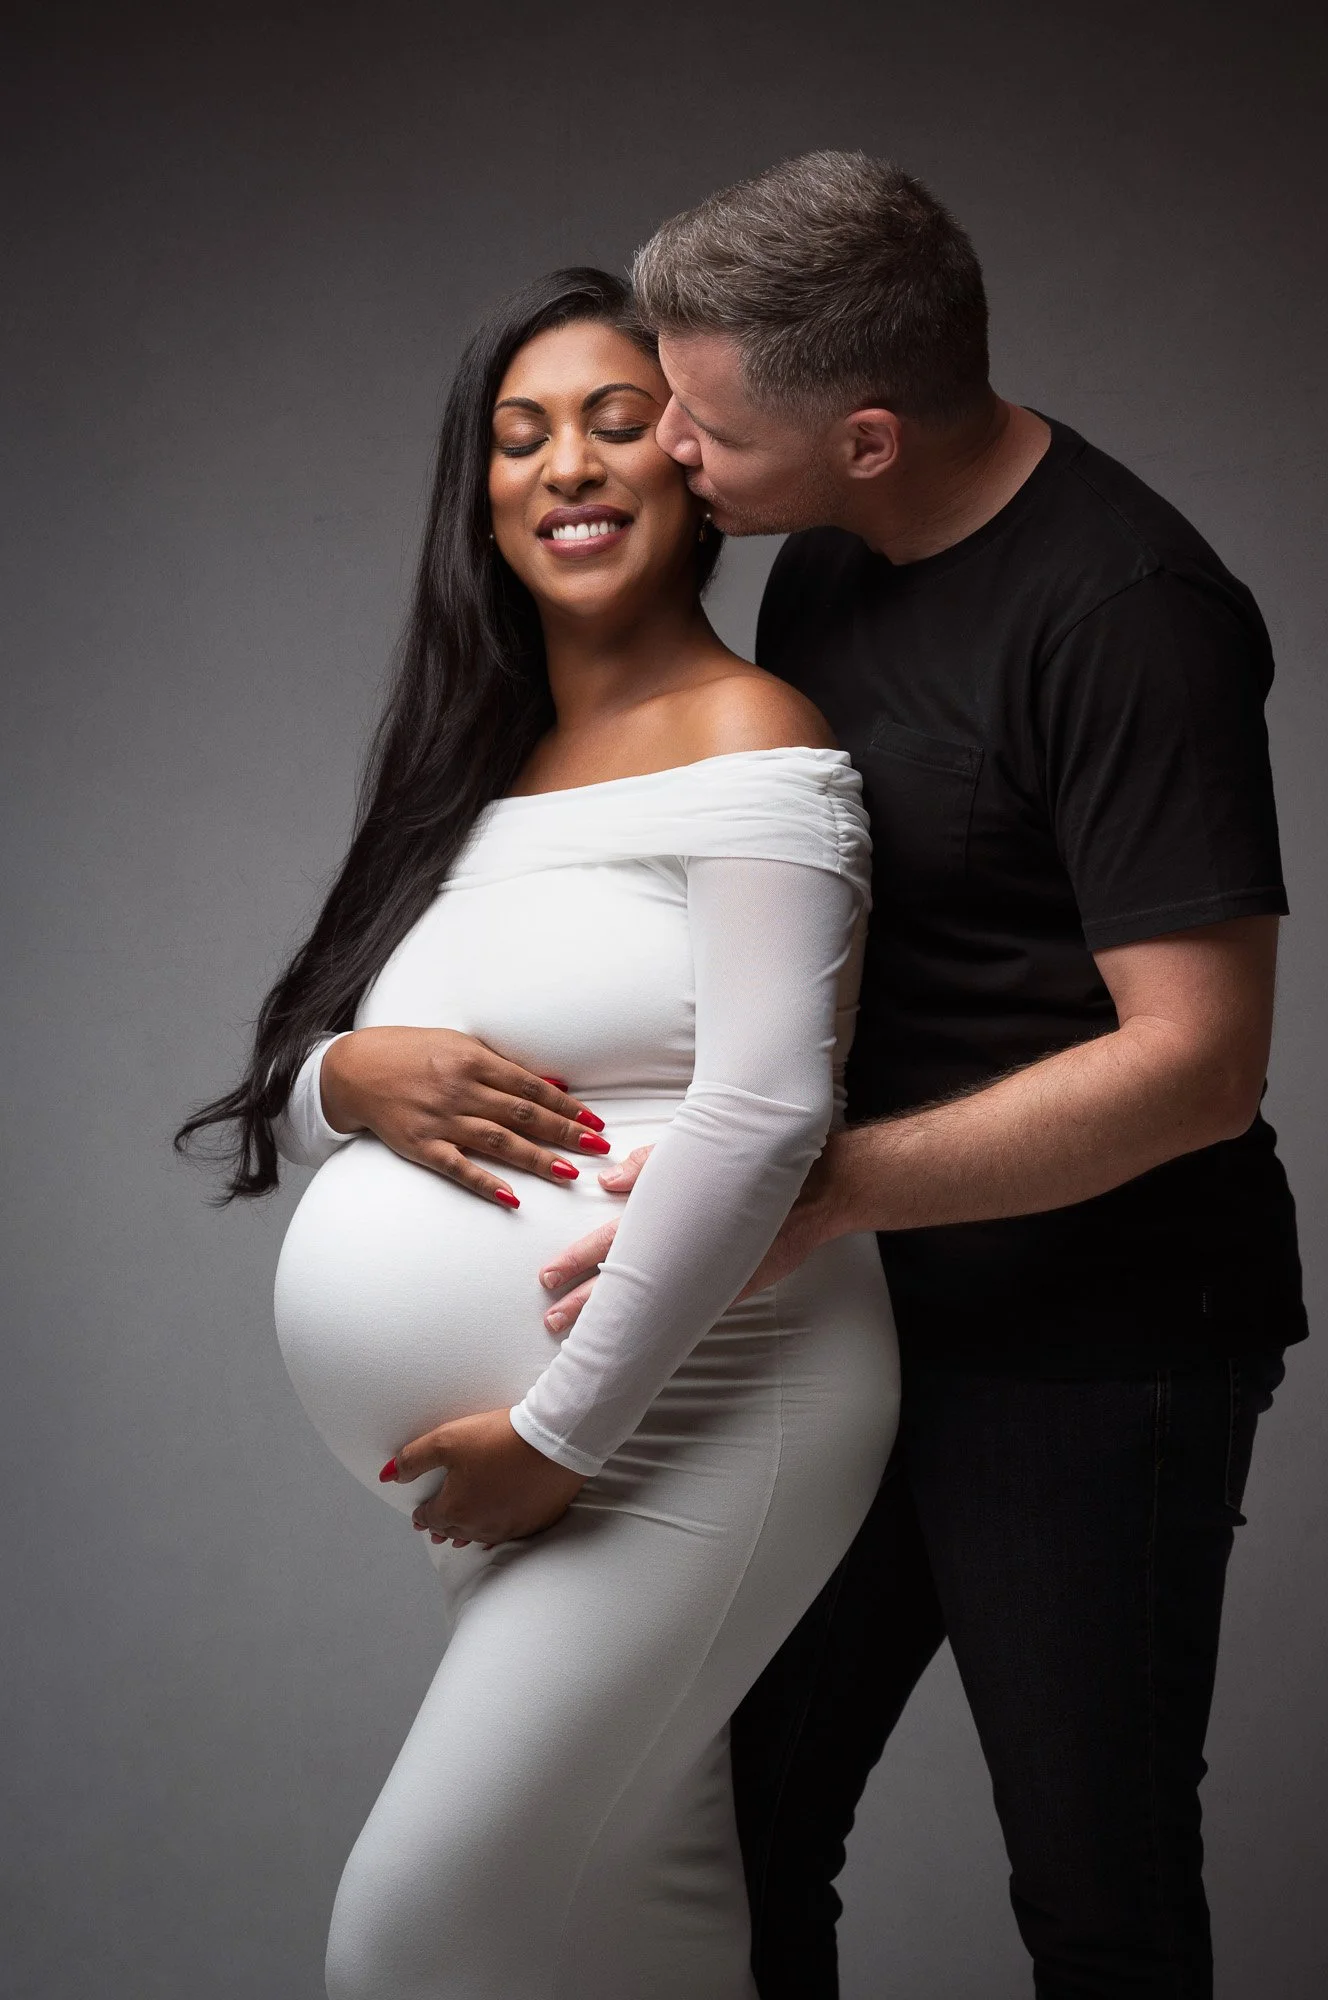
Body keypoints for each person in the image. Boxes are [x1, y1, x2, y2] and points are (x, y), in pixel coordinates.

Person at [378, 155, 1303, 1996]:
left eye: (697, 427)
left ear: (866, 434)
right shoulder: (823, 570)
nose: (673, 465)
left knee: (1094, 1892)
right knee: (737, 1846)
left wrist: (836, 1184)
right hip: (832, 1328)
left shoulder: (1128, 614)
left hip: (1091, 1337)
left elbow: (1198, 1066)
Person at [177, 266, 901, 1999]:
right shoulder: (479, 763)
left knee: (413, 1940)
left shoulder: (759, 740)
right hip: (549, 1444)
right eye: (520, 437)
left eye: (615, 419)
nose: (566, 465)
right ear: (479, 496)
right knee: (638, 1925)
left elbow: (772, 1110)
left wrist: (561, 1438)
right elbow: (313, 1062)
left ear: (696, 464)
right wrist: (343, 1077)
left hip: (697, 1416)